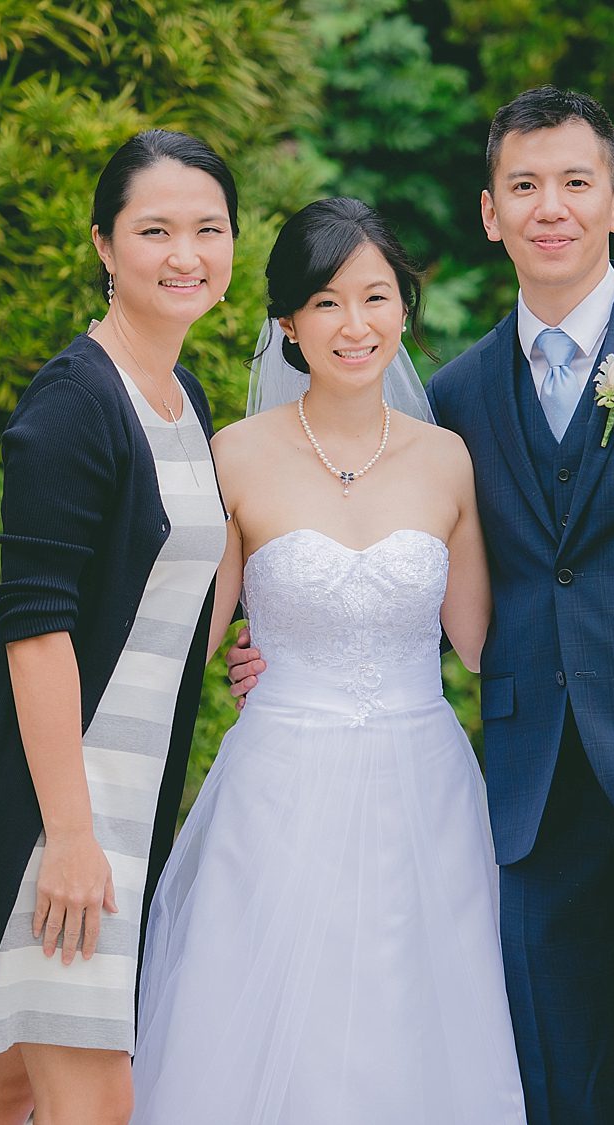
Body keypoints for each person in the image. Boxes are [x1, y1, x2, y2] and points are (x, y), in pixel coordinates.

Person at [230, 87, 614, 1124]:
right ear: (489, 212)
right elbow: (402, 558)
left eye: (574, 182)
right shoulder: (456, 401)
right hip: (537, 802)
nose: (549, 206)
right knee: (556, 1091)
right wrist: (281, 646)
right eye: (524, 186)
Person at [131, 197, 526, 1124]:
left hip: (422, 784)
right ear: (288, 327)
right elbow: (188, 632)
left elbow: (480, 641)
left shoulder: (448, 459)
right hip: (278, 784)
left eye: (378, 297)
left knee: (419, 1021)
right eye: (327, 303)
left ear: (404, 310)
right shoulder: (232, 455)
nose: (357, 325)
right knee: (263, 1030)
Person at [0, 129, 237, 1124]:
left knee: (2, 1089)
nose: (186, 255)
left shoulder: (183, 398)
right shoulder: (76, 399)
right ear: (104, 245)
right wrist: (68, 836)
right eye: (155, 230)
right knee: (95, 1101)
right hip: (56, 815)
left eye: (209, 229)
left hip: (123, 813)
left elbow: (168, 600)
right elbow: (36, 626)